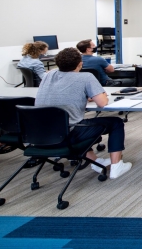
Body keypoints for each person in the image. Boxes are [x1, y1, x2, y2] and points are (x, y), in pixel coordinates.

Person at [35, 47, 131, 179]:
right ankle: (116, 165)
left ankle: (96, 162)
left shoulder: (48, 75)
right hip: (68, 135)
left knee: (74, 124)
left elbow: (61, 93)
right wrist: (101, 94)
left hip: (39, 134)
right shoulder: (86, 77)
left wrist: (84, 95)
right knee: (116, 122)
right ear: (80, 64)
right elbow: (102, 103)